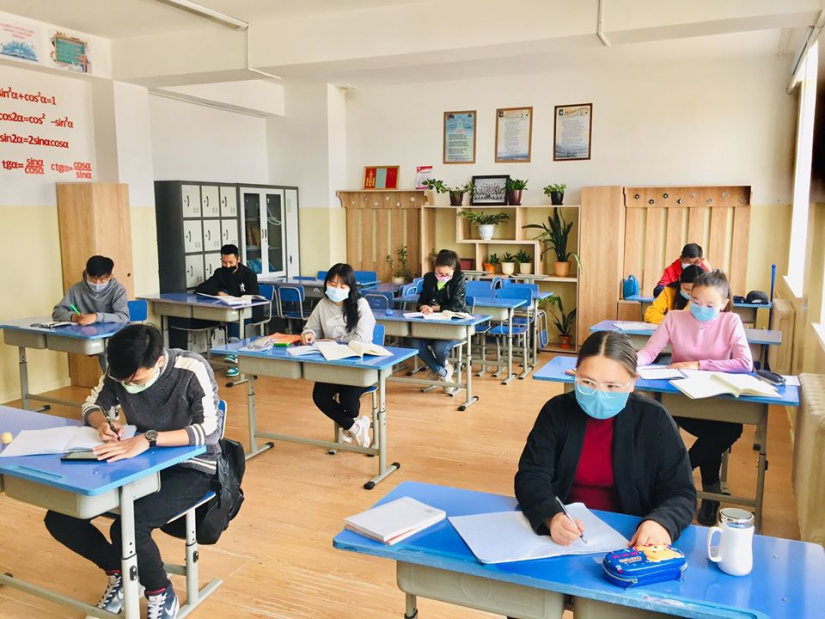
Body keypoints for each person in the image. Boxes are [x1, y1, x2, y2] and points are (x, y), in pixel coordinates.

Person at [43, 324, 222, 619]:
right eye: (122, 380)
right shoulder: (121, 368)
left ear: (159, 361)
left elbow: (210, 431)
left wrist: (149, 438)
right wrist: (102, 423)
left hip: (191, 467)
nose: (128, 385)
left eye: (136, 380)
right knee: (60, 518)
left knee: (128, 527)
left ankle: (160, 591)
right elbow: (91, 404)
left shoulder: (190, 368)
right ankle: (121, 573)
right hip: (138, 462)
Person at [515, 331, 696, 547]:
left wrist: (661, 523)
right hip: (567, 536)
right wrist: (551, 516)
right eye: (587, 382)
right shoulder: (556, 412)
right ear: (575, 374)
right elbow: (531, 476)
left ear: (632, 382)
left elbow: (681, 492)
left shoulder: (654, 419)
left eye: (612, 386)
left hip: (630, 537)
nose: (599, 394)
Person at [637, 270, 752, 525]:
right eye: (696, 301)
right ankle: (711, 492)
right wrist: (624, 362)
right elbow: (649, 352)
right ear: (689, 296)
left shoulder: (731, 321)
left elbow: (745, 363)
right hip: (681, 398)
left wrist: (699, 365)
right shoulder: (675, 318)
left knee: (728, 429)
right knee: (715, 434)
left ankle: (679, 473)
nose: (701, 309)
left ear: (724, 303)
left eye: (710, 305)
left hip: (717, 399)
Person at [302, 263, 376, 448]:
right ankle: (356, 427)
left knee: (348, 401)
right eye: (332, 284)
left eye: (342, 286)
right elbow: (311, 327)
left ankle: (350, 426)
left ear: (350, 288)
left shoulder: (361, 305)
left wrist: (334, 341)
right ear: (326, 283)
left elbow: (361, 339)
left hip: (358, 364)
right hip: (332, 363)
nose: (336, 289)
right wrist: (309, 334)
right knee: (320, 396)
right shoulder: (323, 304)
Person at [195, 244, 260, 378]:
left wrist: (240, 299)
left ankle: (232, 354)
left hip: (248, 311)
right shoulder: (220, 273)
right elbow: (202, 288)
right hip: (228, 311)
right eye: (224, 262)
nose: (227, 265)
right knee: (231, 316)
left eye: (230, 262)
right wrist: (219, 292)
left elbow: (254, 296)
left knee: (234, 318)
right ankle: (232, 353)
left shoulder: (249, 275)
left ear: (238, 259)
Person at [412, 249, 469, 394]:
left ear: (454, 271)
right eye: (439, 273)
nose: (442, 277)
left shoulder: (459, 278)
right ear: (434, 269)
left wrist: (434, 308)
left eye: (446, 274)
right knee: (416, 344)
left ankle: (436, 371)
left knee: (439, 347)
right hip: (433, 325)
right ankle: (444, 372)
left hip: (455, 326)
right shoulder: (429, 278)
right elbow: (421, 301)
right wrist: (424, 307)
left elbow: (456, 305)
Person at [52, 255, 130, 325]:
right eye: (93, 278)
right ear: (87, 273)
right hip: (83, 332)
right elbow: (57, 312)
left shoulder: (118, 290)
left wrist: (97, 317)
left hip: (111, 333)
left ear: (110, 276)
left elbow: (123, 317)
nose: (97, 282)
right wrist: (73, 316)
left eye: (102, 279)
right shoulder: (75, 289)